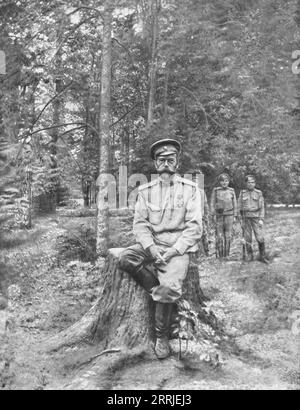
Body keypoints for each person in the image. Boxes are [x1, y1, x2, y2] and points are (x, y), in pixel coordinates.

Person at [118, 139, 202, 359]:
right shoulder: (145, 191)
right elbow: (140, 224)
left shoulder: (191, 190)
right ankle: (161, 292)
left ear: (177, 162)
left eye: (170, 159)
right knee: (125, 258)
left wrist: (173, 250)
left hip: (178, 248)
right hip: (153, 245)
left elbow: (194, 228)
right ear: (156, 164)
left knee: (168, 288)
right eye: (161, 160)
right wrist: (152, 248)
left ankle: (161, 336)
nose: (166, 163)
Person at [237, 175, 268, 263]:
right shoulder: (242, 193)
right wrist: (240, 219)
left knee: (260, 237)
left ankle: (262, 256)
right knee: (247, 238)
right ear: (246, 183)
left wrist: (261, 219)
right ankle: (250, 256)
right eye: (249, 182)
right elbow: (238, 207)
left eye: (252, 182)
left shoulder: (259, 193)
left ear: (255, 183)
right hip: (246, 218)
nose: (250, 184)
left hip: (256, 218)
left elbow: (262, 207)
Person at [210, 173, 237, 258]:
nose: (224, 183)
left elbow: (235, 204)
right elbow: (212, 203)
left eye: (226, 181)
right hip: (219, 216)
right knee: (219, 235)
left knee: (228, 235)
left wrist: (235, 215)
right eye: (222, 181)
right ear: (219, 182)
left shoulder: (231, 191)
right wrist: (213, 214)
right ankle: (220, 255)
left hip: (229, 215)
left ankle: (227, 255)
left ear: (228, 182)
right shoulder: (216, 190)